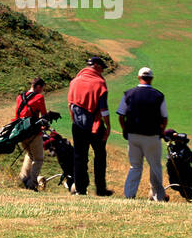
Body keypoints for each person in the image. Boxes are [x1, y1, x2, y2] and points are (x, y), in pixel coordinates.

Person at [117, 67, 168, 201]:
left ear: (138, 77)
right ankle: (157, 196)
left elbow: (121, 115)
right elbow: (165, 118)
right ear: (151, 79)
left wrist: (124, 129)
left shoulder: (128, 94)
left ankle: (129, 195)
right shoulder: (158, 95)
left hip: (133, 136)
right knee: (155, 166)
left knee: (135, 166)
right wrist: (161, 132)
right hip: (152, 136)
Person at [66, 55, 112, 196]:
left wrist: (75, 119)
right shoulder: (99, 83)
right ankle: (100, 189)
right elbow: (103, 109)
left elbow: (70, 104)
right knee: (99, 156)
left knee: (79, 156)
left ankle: (80, 189)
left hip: (78, 125)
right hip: (95, 125)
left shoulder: (74, 81)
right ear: (97, 66)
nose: (102, 71)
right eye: (102, 68)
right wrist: (108, 126)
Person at [13, 77, 48, 191]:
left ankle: (23, 178)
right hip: (33, 132)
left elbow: (17, 115)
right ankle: (31, 184)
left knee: (29, 154)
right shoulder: (39, 97)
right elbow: (44, 115)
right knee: (38, 159)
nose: (42, 91)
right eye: (42, 88)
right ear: (38, 86)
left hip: (21, 132)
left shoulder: (20, 97)